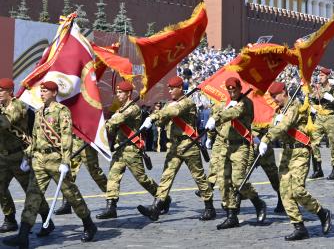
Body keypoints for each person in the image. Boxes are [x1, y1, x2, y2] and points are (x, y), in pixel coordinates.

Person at [3, 81, 97, 248]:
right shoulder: (39, 112)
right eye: (42, 90)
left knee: (71, 194)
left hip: (56, 160)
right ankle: (23, 235)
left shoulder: (62, 111)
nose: (42, 93)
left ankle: (89, 224)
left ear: (54, 93)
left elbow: (66, 137)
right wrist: (28, 155)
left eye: (45, 91)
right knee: (32, 197)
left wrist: (65, 161)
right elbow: (35, 137)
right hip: (39, 160)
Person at [258, 81, 331, 241]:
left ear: (284, 92)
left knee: (297, 190)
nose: (274, 100)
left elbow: (285, 125)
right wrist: (274, 121)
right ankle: (299, 227)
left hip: (299, 152)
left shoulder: (295, 106)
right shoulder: (281, 110)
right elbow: (277, 125)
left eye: (275, 96)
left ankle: (321, 212)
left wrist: (266, 138)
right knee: (284, 191)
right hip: (286, 153)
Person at [137, 76, 215, 221]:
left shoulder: (187, 102)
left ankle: (209, 207)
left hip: (188, 145)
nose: (170, 91)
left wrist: (153, 117)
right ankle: (156, 207)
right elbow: (163, 121)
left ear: (180, 88)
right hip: (174, 146)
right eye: (169, 88)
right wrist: (155, 119)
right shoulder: (170, 104)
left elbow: (174, 112)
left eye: (173, 88)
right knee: (167, 176)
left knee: (199, 177)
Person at [204, 77, 266, 230]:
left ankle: (258, 202)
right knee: (223, 182)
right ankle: (231, 215)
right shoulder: (226, 104)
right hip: (225, 146)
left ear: (240, 89)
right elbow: (221, 120)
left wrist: (217, 116)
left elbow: (235, 112)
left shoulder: (246, 103)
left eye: (234, 89)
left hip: (240, 146)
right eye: (229, 89)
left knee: (238, 181)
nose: (232, 92)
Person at [96, 81, 159, 219]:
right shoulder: (122, 108)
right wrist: (110, 125)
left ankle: (161, 197)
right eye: (117, 92)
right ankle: (111, 207)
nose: (117, 95)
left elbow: (117, 120)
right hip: (120, 149)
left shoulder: (132, 108)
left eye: (120, 92)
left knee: (142, 178)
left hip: (131, 149)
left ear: (128, 94)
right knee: (113, 176)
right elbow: (113, 128)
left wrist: (104, 123)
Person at [0, 78, 50, 233]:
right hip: (2, 157)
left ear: (10, 92)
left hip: (20, 157)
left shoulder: (18, 106)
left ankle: (46, 219)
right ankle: (10, 218)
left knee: (31, 191)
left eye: (1, 90)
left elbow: (5, 123)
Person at [54, 135, 108, 215]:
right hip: (74, 141)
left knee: (95, 172)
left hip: (86, 141)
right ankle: (67, 203)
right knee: (68, 174)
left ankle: (111, 199)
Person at [310, 67, 334, 180]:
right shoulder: (317, 88)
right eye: (319, 76)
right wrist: (313, 106)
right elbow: (312, 99)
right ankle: (318, 169)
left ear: (327, 76)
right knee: (313, 142)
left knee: (333, 144)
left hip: (330, 117)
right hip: (319, 117)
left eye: (322, 76)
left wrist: (333, 99)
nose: (320, 77)